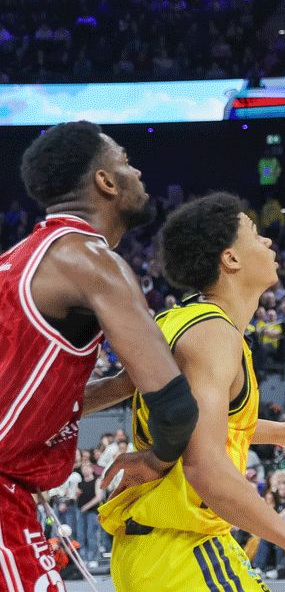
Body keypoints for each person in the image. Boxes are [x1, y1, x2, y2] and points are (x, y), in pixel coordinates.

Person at [98, 193, 285, 589]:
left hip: (162, 547)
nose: (268, 241)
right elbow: (204, 467)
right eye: (255, 234)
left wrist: (283, 433)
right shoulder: (213, 335)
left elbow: (199, 425)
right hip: (183, 548)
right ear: (230, 259)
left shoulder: (180, 320)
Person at [0, 122, 202, 591]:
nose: (138, 172)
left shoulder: (16, 260)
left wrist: (121, 385)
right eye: (126, 161)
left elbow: (27, 399)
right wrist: (156, 459)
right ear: (106, 182)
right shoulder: (90, 260)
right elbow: (175, 408)